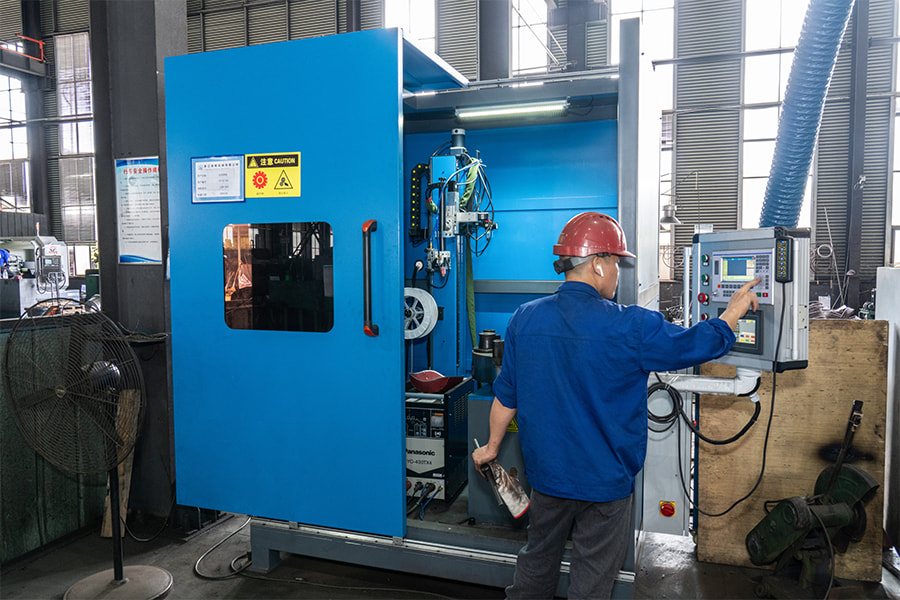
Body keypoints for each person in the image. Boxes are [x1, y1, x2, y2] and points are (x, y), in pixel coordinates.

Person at [472, 212, 761, 599]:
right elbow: (695, 343)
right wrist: (732, 313)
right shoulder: (632, 326)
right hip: (605, 486)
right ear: (597, 263)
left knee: (537, 562)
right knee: (592, 579)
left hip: (548, 479)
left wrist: (491, 447)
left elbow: (506, 396)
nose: (617, 273)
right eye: (616, 263)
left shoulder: (525, 318)